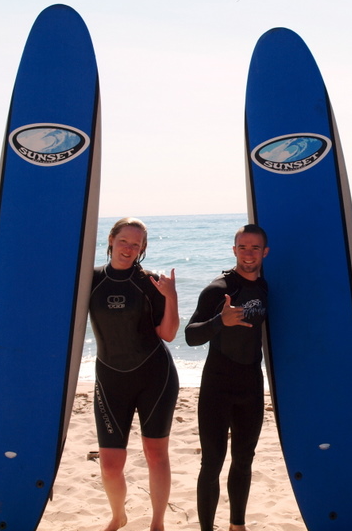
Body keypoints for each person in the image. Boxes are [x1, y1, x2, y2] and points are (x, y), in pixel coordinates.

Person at [88, 217, 180, 531]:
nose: (128, 249)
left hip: (155, 377)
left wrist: (171, 296)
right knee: (110, 464)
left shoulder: (150, 282)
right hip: (110, 379)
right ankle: (119, 516)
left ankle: (157, 523)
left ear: (142, 248)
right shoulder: (90, 280)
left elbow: (168, 334)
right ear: (111, 240)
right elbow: (50, 310)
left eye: (136, 244)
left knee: (156, 454)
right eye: (124, 241)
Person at [185, 224, 270, 531]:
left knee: (244, 459)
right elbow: (190, 336)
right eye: (242, 247)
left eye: (255, 248)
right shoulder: (218, 290)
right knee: (212, 462)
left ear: (265, 252)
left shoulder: (266, 288)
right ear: (234, 250)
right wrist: (220, 321)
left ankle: (237, 525)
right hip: (217, 387)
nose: (248, 254)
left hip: (251, 385)